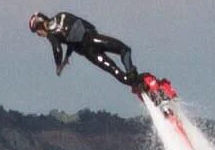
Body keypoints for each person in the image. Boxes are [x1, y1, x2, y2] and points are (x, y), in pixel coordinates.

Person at [28, 11, 178, 108]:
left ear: (40, 25)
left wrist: (58, 65)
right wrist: (68, 56)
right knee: (125, 50)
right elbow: (79, 29)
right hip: (94, 38)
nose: (39, 34)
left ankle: (143, 87)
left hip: (89, 52)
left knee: (120, 75)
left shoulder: (51, 33)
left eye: (37, 32)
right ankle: (148, 83)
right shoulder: (62, 15)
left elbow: (58, 48)